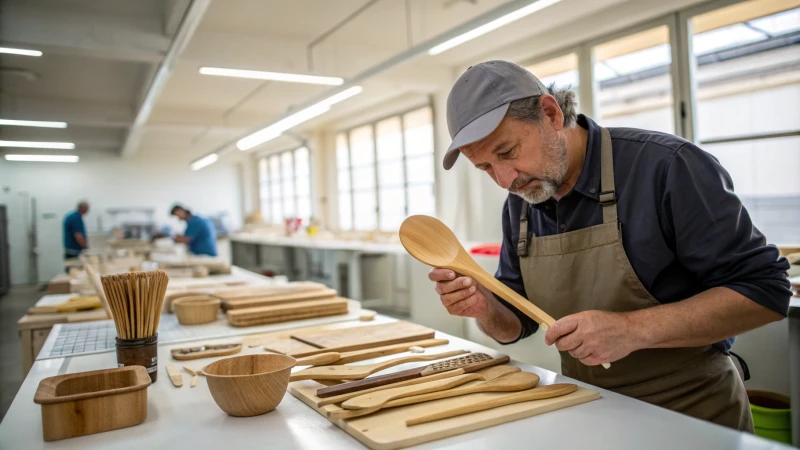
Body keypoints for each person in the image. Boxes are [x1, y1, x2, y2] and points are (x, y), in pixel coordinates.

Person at [430, 60, 791, 431]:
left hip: (694, 415)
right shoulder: (521, 203)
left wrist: (634, 329)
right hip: (590, 411)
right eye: (486, 168)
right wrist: (484, 309)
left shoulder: (667, 168)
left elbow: (765, 292)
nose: (505, 179)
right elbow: (518, 325)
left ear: (551, 114)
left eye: (507, 152)